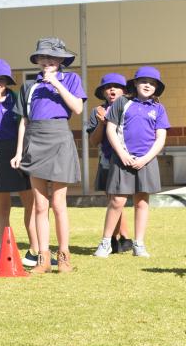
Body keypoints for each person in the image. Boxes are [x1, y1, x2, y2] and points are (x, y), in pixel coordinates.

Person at [10, 38, 86, 273]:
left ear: (61, 60)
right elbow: (24, 120)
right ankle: (43, 258)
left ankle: (63, 257)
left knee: (58, 203)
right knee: (40, 205)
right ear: (37, 60)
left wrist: (56, 84)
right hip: (35, 140)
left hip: (59, 138)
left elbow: (78, 108)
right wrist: (18, 151)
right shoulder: (29, 86)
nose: (47, 61)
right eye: (43, 57)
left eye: (52, 57)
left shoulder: (71, 79)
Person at [94, 66, 169, 258]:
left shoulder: (158, 109)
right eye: (143, 81)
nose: (147, 85)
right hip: (121, 159)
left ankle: (139, 244)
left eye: (152, 83)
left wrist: (145, 158)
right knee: (117, 201)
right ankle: (105, 243)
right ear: (135, 84)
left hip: (147, 160)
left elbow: (160, 137)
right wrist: (122, 154)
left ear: (156, 88)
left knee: (142, 202)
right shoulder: (122, 103)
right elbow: (111, 130)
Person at [0, 59, 39, 267]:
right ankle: (1, 248)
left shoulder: (17, 100)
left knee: (30, 203)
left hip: (20, 153)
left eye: (1, 79)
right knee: (2, 206)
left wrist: (23, 152)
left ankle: (36, 249)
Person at [87, 73, 133, 254]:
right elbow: (94, 141)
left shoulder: (132, 108)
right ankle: (118, 238)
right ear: (103, 92)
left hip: (129, 158)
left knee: (119, 200)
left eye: (117, 86)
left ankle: (125, 238)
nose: (112, 89)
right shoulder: (97, 110)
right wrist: (102, 123)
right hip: (107, 158)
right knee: (113, 199)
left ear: (124, 90)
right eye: (108, 87)